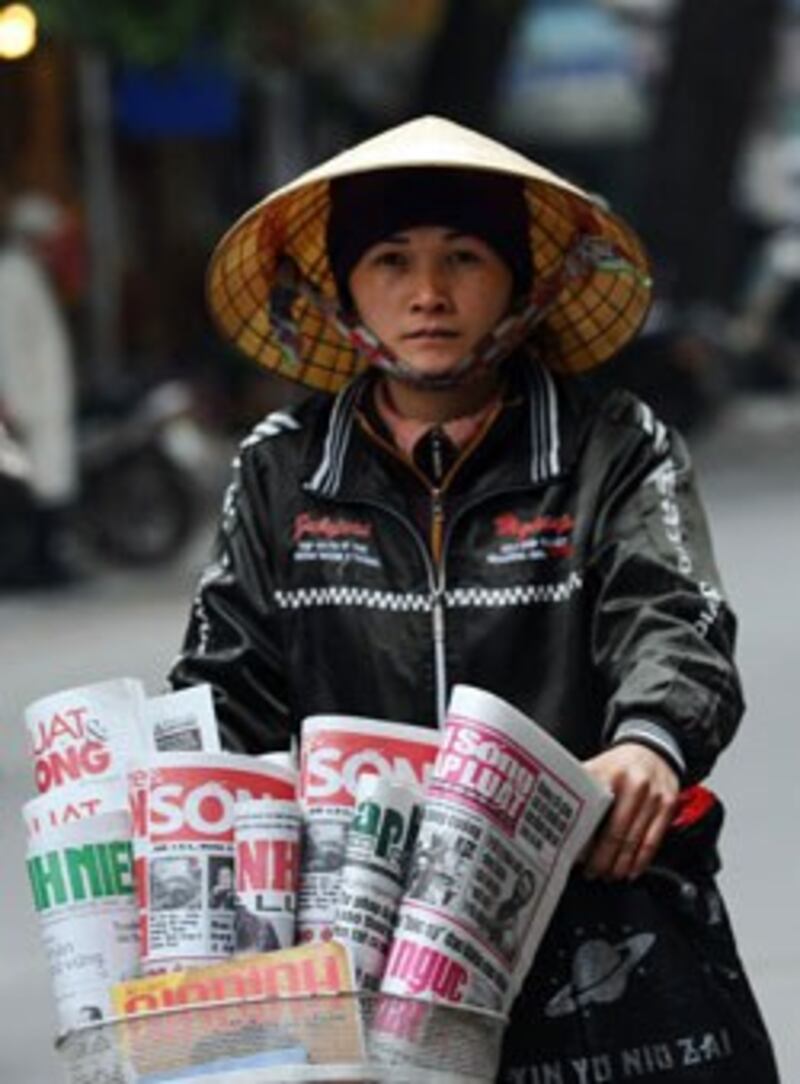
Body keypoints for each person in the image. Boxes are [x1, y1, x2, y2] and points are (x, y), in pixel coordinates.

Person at [170, 117, 778, 1080]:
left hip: (590, 912)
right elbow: (223, 685)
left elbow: (672, 617)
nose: (428, 293)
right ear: (339, 296)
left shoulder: (612, 446)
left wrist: (648, 739)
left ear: (522, 286)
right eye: (389, 260)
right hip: (353, 939)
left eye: (463, 256)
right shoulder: (282, 469)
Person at [0, 190, 80, 586]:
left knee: (49, 487)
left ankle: (48, 563)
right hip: (29, 406)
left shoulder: (29, 274)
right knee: (34, 490)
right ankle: (33, 568)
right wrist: (14, 403)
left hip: (44, 403)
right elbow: (10, 347)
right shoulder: (12, 278)